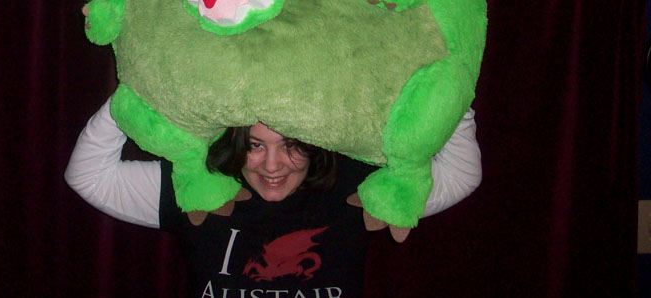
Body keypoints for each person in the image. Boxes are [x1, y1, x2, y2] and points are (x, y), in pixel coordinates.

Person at [65, 99, 481, 297]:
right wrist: (137, 94)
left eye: (291, 145)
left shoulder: (355, 188)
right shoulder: (199, 187)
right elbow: (88, 175)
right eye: (255, 145)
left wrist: (443, 88)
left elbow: (462, 173)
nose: (273, 165)